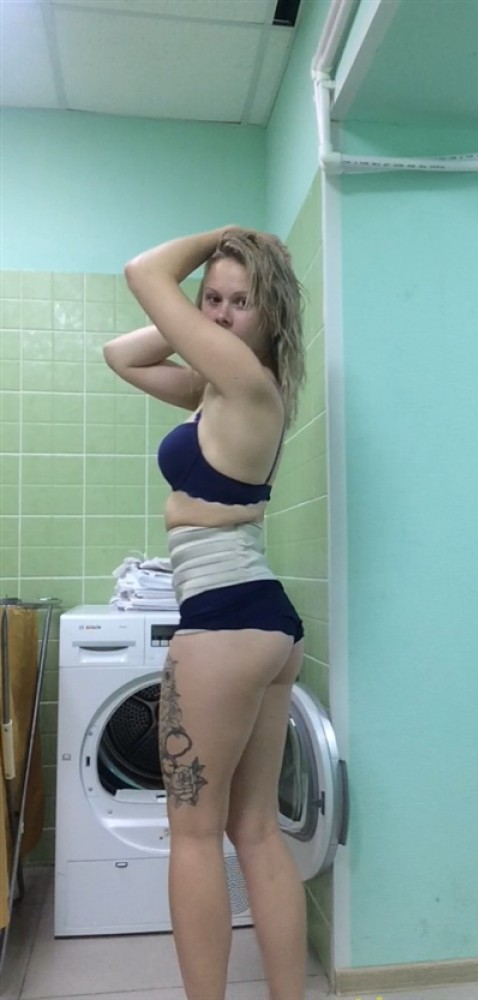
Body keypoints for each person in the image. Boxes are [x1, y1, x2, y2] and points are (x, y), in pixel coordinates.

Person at [103, 227, 307, 1000]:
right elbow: (122, 356)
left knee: (193, 835)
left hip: (222, 624)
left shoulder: (243, 379)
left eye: (239, 302)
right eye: (210, 300)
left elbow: (140, 269)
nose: (220, 315)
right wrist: (198, 311)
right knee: (253, 829)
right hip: (264, 620)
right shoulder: (225, 387)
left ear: (271, 312)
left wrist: (226, 233)